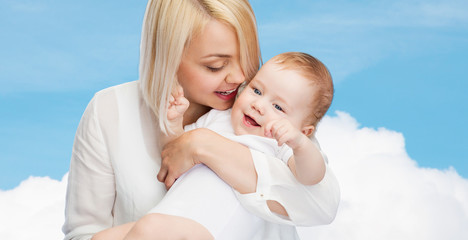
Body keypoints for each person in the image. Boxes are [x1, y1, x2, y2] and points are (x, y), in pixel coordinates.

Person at [62, 0, 340, 239]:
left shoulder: (277, 117)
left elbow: (320, 204)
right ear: (168, 58)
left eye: (248, 58)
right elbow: (172, 153)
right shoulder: (109, 110)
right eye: (215, 66)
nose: (241, 77)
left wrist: (203, 145)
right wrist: (178, 132)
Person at [119, 51, 335, 240]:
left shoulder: (279, 143)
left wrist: (301, 145)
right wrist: (173, 123)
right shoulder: (217, 119)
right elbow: (174, 154)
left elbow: (311, 178)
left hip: (210, 227)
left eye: (278, 107)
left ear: (305, 131)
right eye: (257, 91)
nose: (258, 105)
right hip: (173, 213)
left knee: (151, 228)